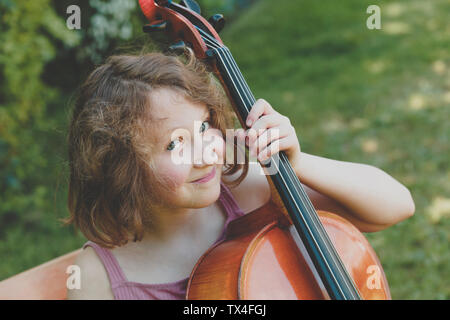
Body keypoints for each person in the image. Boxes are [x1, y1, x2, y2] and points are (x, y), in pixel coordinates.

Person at [65, 49, 415, 300]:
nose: (206, 153)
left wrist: (298, 166)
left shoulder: (244, 191)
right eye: (175, 145)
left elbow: (397, 205)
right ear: (117, 167)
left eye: (204, 126)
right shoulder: (97, 278)